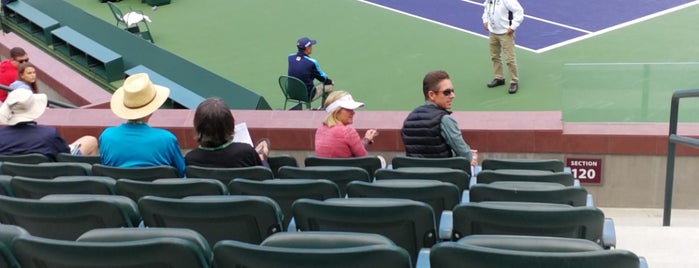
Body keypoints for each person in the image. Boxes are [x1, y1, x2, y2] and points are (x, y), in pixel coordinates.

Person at [98, 73, 186, 177]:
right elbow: (181, 173)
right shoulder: (167, 139)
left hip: (120, 193)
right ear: (152, 109)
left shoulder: (106, 136)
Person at [401, 70, 478, 166]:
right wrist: (472, 157)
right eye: (447, 92)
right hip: (443, 178)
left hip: (415, 177)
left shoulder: (409, 120)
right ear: (431, 95)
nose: (453, 96)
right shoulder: (445, 120)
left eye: (452, 91)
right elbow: (466, 157)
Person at [0, 89, 98, 160]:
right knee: (90, 141)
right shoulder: (48, 134)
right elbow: (66, 156)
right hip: (53, 180)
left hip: (17, 184)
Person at [185, 97, 271, 168]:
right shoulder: (246, 152)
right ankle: (262, 157)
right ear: (230, 124)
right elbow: (263, 177)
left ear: (198, 126)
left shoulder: (191, 159)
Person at [314, 91, 378, 158]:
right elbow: (364, 158)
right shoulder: (348, 131)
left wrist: (366, 139)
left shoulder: (320, 130)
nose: (353, 112)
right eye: (348, 109)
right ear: (336, 111)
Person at [482, 0, 524, 94]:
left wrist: (513, 27)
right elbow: (486, 9)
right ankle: (499, 78)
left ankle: (514, 81)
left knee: (509, 59)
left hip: (506, 33)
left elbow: (519, 11)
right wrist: (485, 20)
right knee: (494, 56)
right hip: (493, 32)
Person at [288, 36, 334, 104]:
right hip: (307, 95)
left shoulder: (290, 57)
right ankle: (324, 110)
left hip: (291, 94)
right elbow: (322, 78)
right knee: (329, 86)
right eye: (311, 45)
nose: (312, 47)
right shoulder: (311, 62)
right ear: (307, 48)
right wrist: (330, 81)